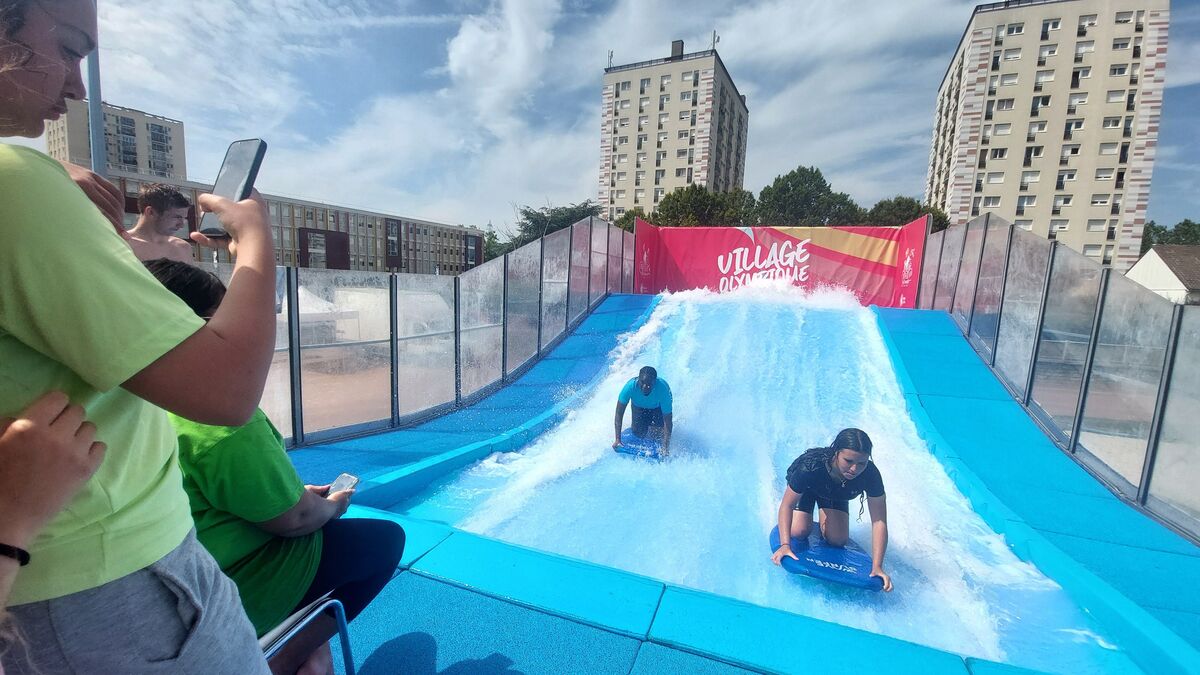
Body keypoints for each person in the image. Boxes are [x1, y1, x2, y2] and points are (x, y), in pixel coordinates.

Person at [0, 1, 279, 671]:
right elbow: (227, 386)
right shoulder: (16, 186)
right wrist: (254, 239)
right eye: (67, 47)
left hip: (55, 584)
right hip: (109, 578)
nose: (73, 85)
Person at [144, 259, 407, 675]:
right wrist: (331, 506)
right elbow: (296, 519)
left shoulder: (123, 400)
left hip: (154, 587)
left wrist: (295, 497)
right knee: (383, 541)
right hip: (213, 587)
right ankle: (281, 659)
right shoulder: (218, 414)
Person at [771, 428, 893, 592]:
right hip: (808, 487)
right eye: (848, 461)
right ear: (836, 453)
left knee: (837, 540)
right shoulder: (809, 467)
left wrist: (877, 566)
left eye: (862, 463)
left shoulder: (870, 475)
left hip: (835, 493)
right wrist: (785, 544)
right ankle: (805, 518)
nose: (854, 469)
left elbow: (879, 522)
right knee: (799, 530)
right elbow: (787, 505)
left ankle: (826, 517)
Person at [128, 183, 196, 263]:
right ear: (151, 212)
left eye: (184, 218)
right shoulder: (122, 244)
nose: (181, 225)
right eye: (177, 217)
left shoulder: (183, 248)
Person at [613, 366, 673, 455]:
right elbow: (619, 413)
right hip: (638, 407)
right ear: (638, 379)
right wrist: (618, 439)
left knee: (657, 436)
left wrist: (665, 448)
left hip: (658, 407)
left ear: (655, 382)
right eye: (642, 383)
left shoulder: (663, 390)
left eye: (649, 384)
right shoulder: (630, 387)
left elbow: (667, 421)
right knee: (638, 433)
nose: (645, 387)